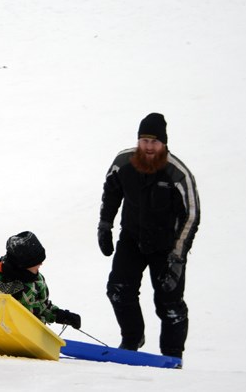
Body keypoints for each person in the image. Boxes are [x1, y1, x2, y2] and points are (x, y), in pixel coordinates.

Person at [97, 113, 200, 360]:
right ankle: (132, 339)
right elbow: (111, 192)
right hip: (132, 238)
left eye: (154, 142)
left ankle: (172, 356)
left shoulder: (177, 173)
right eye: (144, 140)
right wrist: (105, 226)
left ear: (164, 143)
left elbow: (191, 216)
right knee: (118, 290)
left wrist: (177, 258)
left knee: (169, 303)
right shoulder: (123, 162)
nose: (149, 147)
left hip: (167, 246)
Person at [0, 231, 81, 329]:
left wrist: (63, 316)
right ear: (22, 265)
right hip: (0, 334)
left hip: (30, 336)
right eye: (36, 263)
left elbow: (43, 307)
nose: (41, 263)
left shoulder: (37, 281)